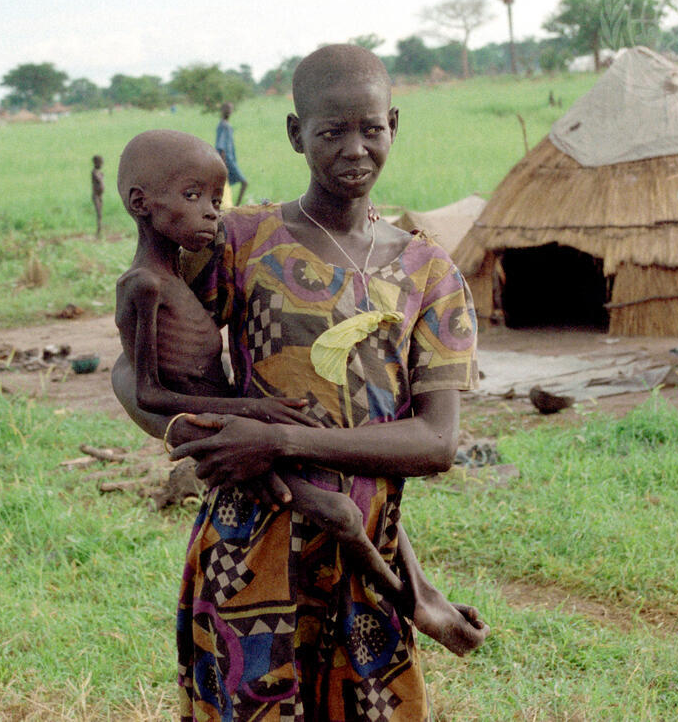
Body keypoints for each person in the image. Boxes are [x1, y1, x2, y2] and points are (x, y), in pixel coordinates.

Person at [114, 45, 487, 720]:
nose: (354, 149)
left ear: (393, 126)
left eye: (371, 129)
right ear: (296, 135)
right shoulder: (238, 243)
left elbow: (436, 442)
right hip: (248, 550)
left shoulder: (430, 273)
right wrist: (222, 444)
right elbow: (136, 371)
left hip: (368, 553)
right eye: (330, 131)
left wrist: (276, 441)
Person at [115, 128, 413, 604]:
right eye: (193, 196)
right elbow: (147, 390)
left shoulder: (183, 274)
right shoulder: (144, 286)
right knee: (338, 512)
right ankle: (410, 601)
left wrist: (254, 414)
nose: (211, 211)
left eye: (216, 197)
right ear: (140, 202)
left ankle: (414, 591)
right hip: (221, 424)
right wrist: (252, 411)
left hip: (234, 419)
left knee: (337, 493)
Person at [215, 102, 249, 204]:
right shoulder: (224, 126)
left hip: (229, 160)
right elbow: (221, 147)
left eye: (230, 109)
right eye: (227, 109)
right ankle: (236, 207)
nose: (229, 111)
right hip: (227, 161)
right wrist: (223, 164)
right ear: (222, 111)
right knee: (244, 182)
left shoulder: (224, 125)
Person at [91, 154, 106, 238]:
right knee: (99, 213)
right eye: (100, 163)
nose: (101, 165)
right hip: (96, 195)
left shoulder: (99, 172)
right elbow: (99, 179)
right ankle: (98, 230)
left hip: (100, 195)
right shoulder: (94, 172)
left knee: (100, 213)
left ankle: (100, 229)